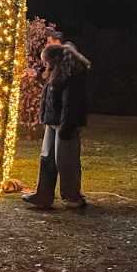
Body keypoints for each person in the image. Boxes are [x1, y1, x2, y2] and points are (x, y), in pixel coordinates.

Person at [23, 43, 91, 209]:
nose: (45, 65)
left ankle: (72, 196)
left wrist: (66, 126)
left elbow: (71, 104)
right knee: (47, 158)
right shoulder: (57, 73)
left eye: (46, 61)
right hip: (53, 122)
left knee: (66, 161)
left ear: (55, 60)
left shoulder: (71, 75)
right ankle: (43, 194)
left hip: (65, 124)